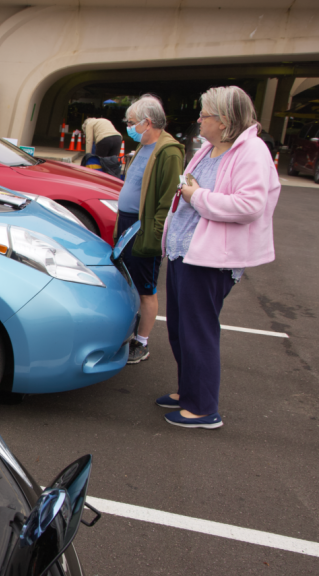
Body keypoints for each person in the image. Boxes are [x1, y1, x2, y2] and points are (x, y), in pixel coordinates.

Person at [158, 86, 279, 429]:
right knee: (182, 329)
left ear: (224, 121)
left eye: (204, 115)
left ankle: (202, 408)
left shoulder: (251, 151)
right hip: (186, 251)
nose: (199, 120)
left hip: (211, 258)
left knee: (199, 331)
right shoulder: (210, 149)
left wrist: (198, 196)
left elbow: (249, 206)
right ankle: (188, 392)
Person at [114, 96, 184, 364]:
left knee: (146, 287)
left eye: (132, 122)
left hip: (143, 229)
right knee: (129, 280)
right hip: (128, 225)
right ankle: (131, 335)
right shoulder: (143, 146)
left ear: (148, 122)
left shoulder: (168, 152)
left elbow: (167, 200)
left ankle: (141, 343)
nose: (129, 127)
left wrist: (154, 238)